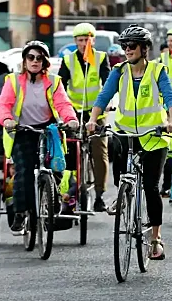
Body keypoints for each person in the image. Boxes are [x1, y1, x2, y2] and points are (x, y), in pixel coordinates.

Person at [86, 24, 172, 260]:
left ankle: (156, 238)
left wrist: (171, 120)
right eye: (124, 46)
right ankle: (122, 193)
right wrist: (92, 119)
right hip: (126, 132)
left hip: (154, 137)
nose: (127, 50)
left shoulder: (158, 71)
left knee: (150, 187)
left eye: (132, 46)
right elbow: (104, 96)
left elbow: (170, 98)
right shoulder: (119, 71)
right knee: (117, 155)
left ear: (144, 48)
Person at [0, 40, 79, 234]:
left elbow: (63, 104)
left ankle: (52, 199)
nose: (35, 61)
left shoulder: (54, 81)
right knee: (24, 171)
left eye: (39, 58)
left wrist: (71, 119)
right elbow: (3, 104)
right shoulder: (13, 80)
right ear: (25, 61)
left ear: (45, 62)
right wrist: (7, 120)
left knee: (57, 167)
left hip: (47, 129)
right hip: (22, 130)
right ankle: (20, 213)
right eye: (31, 57)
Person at [58, 22, 111, 212]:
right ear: (75, 41)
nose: (83, 44)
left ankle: (99, 195)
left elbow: (108, 83)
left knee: (99, 151)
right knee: (70, 150)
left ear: (93, 40)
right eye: (80, 40)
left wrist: (108, 102)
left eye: (87, 40)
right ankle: (71, 189)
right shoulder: (68, 60)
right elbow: (60, 87)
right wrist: (62, 109)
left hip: (96, 112)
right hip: (75, 112)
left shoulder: (101, 58)